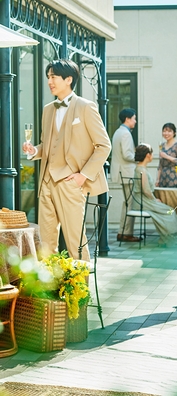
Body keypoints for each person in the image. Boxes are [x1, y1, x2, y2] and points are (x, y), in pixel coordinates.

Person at [22, 59, 111, 261]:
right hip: (46, 182)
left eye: (53, 77)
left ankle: (81, 283)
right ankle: (48, 282)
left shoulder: (86, 107)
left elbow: (104, 146)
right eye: (48, 77)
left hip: (70, 183)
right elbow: (48, 145)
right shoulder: (48, 109)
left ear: (68, 79)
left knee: (75, 242)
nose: (49, 81)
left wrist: (83, 176)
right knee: (46, 245)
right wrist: (34, 150)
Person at [134, 143, 177, 247]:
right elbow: (146, 190)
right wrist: (154, 199)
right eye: (151, 154)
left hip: (141, 199)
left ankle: (165, 238)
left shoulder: (139, 168)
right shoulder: (142, 170)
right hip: (143, 201)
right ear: (148, 155)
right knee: (169, 211)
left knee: (167, 209)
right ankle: (170, 238)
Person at [110, 108, 138, 242]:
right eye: (134, 118)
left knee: (127, 203)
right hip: (127, 173)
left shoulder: (118, 132)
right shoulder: (125, 134)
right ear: (127, 119)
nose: (135, 121)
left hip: (121, 172)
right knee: (129, 204)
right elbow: (127, 155)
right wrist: (139, 157)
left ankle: (123, 232)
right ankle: (126, 233)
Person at [156, 122, 177, 188]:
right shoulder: (162, 145)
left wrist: (166, 156)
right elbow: (160, 165)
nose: (166, 133)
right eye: (164, 131)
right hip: (163, 176)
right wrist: (157, 179)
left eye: (169, 131)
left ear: (174, 133)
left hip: (174, 175)